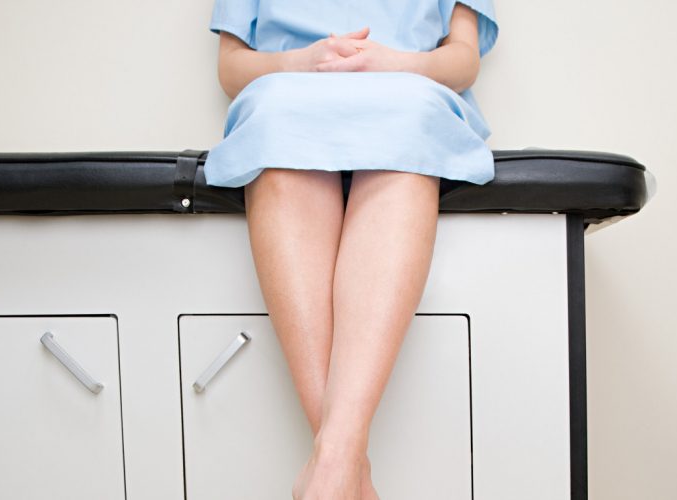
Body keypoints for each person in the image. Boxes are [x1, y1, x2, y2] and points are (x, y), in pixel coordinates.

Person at [205, 1, 498, 498]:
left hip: (407, 92)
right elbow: (232, 67)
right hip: (289, 93)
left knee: (409, 116)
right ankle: (344, 465)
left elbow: (463, 59)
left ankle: (331, 465)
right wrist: (302, 61)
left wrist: (397, 63)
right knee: (277, 116)